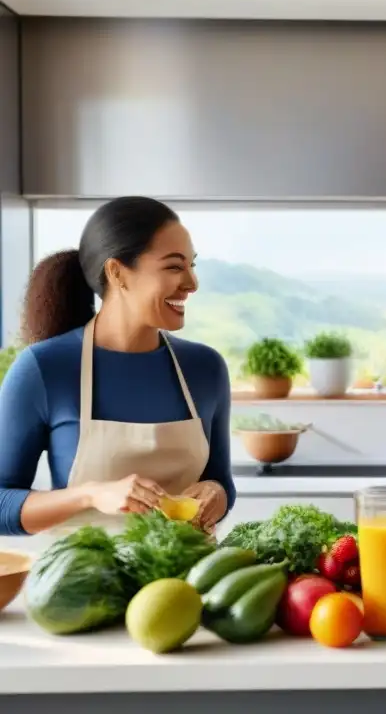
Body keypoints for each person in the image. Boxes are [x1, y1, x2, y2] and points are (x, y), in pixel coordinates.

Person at [0, 196, 235, 539]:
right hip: (86, 587)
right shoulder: (44, 369)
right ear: (117, 273)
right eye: (174, 266)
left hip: (190, 586)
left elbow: (221, 480)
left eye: (191, 265)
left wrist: (218, 493)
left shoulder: (205, 368)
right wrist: (92, 494)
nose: (191, 283)